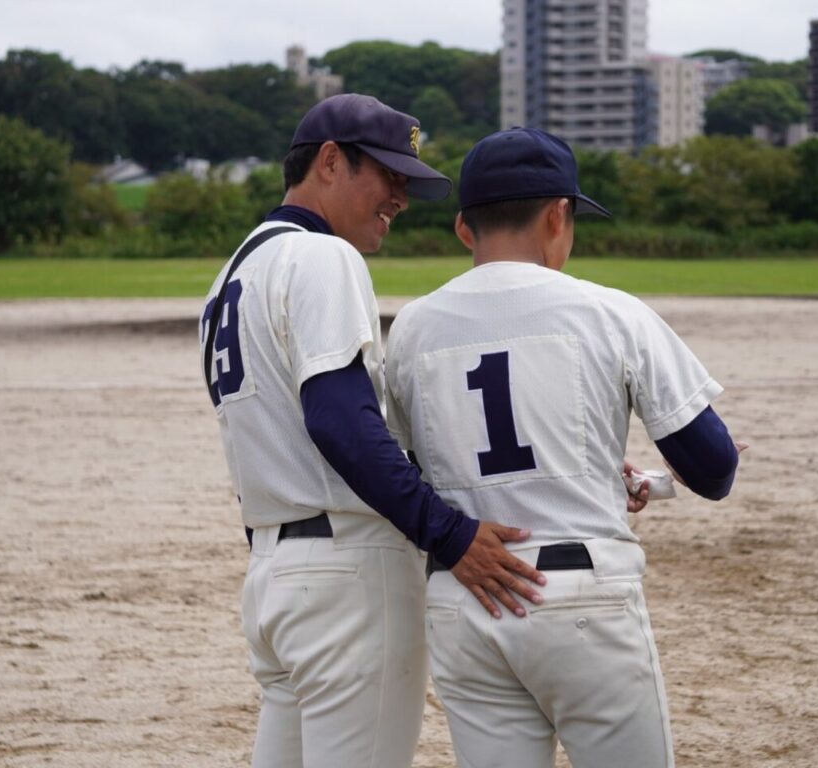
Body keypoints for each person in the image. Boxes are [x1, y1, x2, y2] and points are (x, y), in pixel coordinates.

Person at [198, 95, 562, 768]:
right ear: (331, 161)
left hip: (275, 577)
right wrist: (449, 534)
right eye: (388, 176)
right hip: (347, 577)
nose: (399, 196)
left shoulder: (232, 275)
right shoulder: (321, 258)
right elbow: (339, 421)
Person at [384, 127, 746, 768]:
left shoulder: (413, 325)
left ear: (465, 229)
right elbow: (713, 468)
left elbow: (413, 465)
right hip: (583, 595)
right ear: (558, 216)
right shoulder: (609, 310)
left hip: (465, 595)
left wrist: (595, 471)